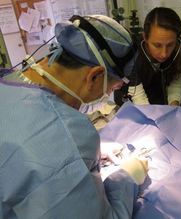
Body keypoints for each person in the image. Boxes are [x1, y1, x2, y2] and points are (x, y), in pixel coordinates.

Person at [0, 15, 148, 219]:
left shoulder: (7, 82)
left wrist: (84, 156)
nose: (107, 95)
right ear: (94, 76)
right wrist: (130, 175)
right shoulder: (67, 137)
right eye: (112, 88)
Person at [115, 7, 181, 106]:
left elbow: (174, 82)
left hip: (157, 98)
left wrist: (173, 106)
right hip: (131, 100)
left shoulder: (179, 51)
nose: (164, 54)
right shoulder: (133, 55)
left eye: (170, 45)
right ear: (145, 37)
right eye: (157, 45)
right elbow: (138, 97)